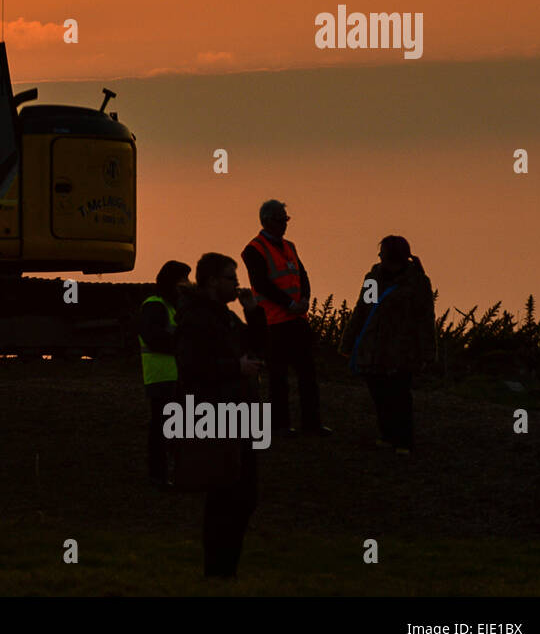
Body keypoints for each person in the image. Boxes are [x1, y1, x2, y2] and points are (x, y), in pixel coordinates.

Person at [176, 253, 267, 579]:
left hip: (239, 411)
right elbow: (190, 368)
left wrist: (253, 313)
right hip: (214, 412)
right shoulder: (197, 318)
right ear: (213, 281)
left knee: (244, 496)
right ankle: (218, 571)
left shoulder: (227, 318)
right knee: (225, 495)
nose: (237, 284)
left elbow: (259, 345)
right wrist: (235, 368)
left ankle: (225, 570)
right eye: (231, 278)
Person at [242, 199, 331, 437]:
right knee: (278, 376)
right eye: (281, 220)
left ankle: (312, 423)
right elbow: (261, 283)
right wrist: (290, 303)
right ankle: (280, 425)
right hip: (274, 323)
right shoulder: (253, 249)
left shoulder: (290, 246)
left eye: (286, 220)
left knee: (307, 374)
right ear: (268, 221)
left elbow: (302, 275)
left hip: (297, 319)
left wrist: (304, 300)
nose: (285, 225)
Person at [339, 236, 435, 455]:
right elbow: (361, 310)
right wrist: (348, 342)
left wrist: (428, 353)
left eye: (382, 252)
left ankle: (404, 441)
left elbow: (425, 318)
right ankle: (387, 435)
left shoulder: (418, 282)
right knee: (380, 394)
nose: (379, 256)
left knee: (400, 395)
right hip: (374, 349)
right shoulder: (373, 278)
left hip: (403, 350)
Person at [139, 260, 193, 488]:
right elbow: (154, 338)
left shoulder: (173, 306)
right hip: (162, 377)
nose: (187, 284)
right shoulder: (155, 305)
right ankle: (159, 476)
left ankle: (174, 474)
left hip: (175, 376)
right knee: (162, 430)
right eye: (183, 279)